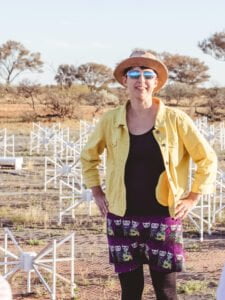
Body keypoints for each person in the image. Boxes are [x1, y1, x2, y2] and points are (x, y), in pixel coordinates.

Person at [80, 50, 217, 300]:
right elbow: (88, 156)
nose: (140, 79)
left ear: (156, 82)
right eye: (133, 73)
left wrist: (193, 196)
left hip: (164, 216)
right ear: (124, 81)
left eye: (147, 74)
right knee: (130, 291)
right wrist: (96, 191)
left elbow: (206, 158)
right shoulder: (110, 120)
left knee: (166, 291)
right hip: (122, 216)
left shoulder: (176, 119)